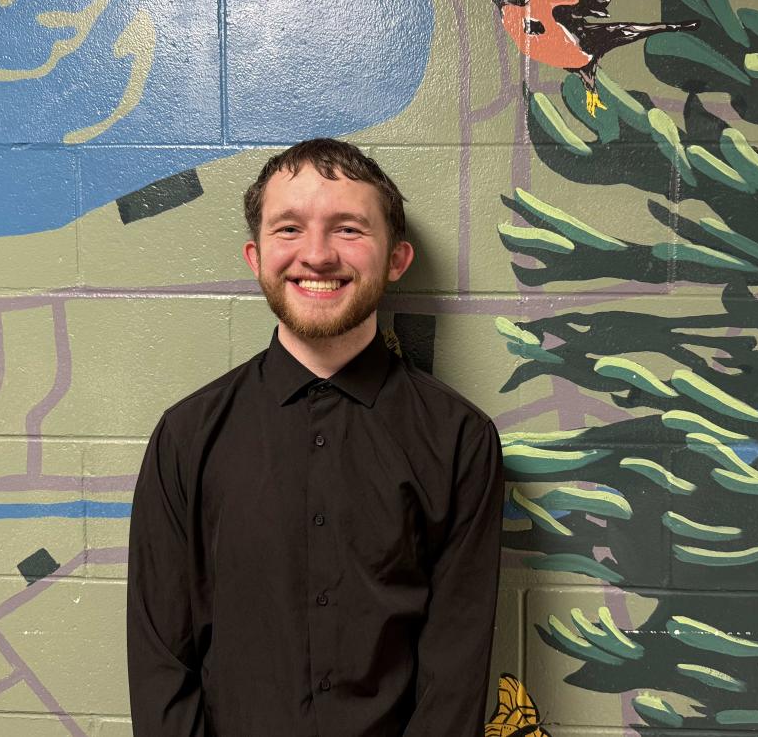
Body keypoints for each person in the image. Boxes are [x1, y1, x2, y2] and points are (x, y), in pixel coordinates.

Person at [126, 138, 504, 736]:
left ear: (396, 259)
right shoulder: (186, 438)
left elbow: (454, 675)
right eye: (289, 229)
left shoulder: (461, 441)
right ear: (255, 256)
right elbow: (161, 667)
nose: (318, 255)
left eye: (349, 229)